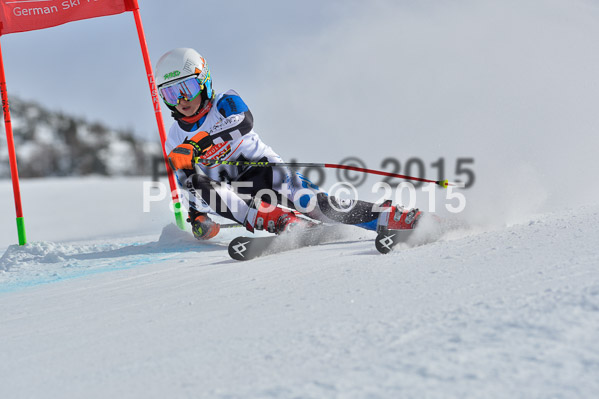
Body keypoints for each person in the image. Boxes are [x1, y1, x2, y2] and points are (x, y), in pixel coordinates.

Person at [156, 48, 420, 240]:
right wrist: (197, 217)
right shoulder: (176, 138)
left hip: (267, 171)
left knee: (313, 203)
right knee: (196, 181)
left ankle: (389, 217)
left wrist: (200, 143)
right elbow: (189, 183)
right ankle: (282, 221)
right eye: (170, 93)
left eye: (186, 88)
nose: (180, 100)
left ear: (204, 82)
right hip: (236, 194)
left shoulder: (225, 101)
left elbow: (243, 122)